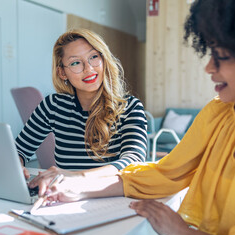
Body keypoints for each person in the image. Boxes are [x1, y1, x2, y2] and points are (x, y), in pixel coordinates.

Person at [29, 0, 235, 235]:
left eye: (222, 56)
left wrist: (183, 234)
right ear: (62, 71)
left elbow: (133, 161)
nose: (208, 68)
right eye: (210, 52)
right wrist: (78, 189)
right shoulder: (219, 114)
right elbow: (163, 174)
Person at [16, 29, 147, 179]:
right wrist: (17, 166)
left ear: (104, 60)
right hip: (64, 197)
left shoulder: (130, 107)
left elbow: (133, 161)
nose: (88, 68)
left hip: (111, 197)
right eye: (75, 63)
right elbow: (19, 149)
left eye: (93, 57)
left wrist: (77, 177)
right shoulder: (53, 106)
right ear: (62, 73)